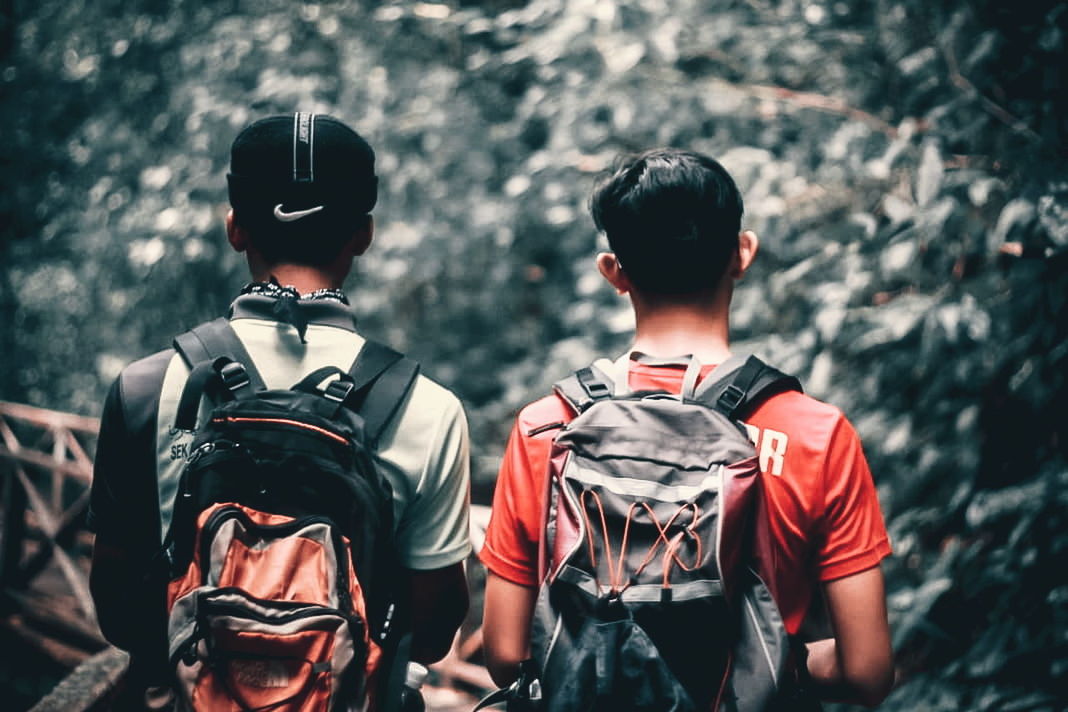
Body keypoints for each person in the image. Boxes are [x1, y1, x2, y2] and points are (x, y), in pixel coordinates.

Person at [479, 149, 895, 708]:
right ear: (742, 254)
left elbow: (507, 652)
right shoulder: (816, 434)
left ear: (613, 272)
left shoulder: (548, 427)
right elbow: (867, 671)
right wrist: (776, 660)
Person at [88, 113, 471, 707]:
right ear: (363, 234)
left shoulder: (143, 389)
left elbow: (118, 611)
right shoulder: (429, 407)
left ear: (235, 227)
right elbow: (433, 630)